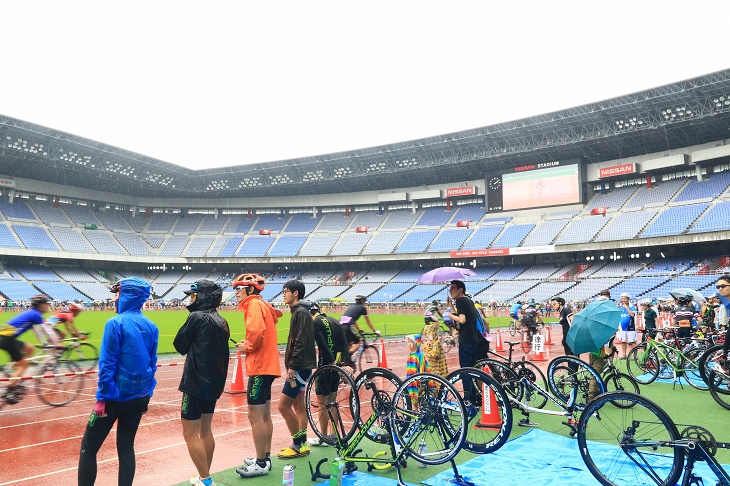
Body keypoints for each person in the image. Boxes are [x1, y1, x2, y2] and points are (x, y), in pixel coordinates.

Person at [78, 277, 159, 486]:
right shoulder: (151, 326)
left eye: (118, 294)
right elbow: (152, 363)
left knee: (88, 447)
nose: (115, 299)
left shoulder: (115, 323)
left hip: (114, 397)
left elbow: (107, 364)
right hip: (139, 396)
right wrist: (147, 394)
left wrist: (102, 397)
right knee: (126, 447)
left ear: (128, 296)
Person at [174, 280, 230, 486]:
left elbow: (179, 344)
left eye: (194, 295)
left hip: (194, 383)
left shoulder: (196, 317)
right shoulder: (222, 321)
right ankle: (204, 476)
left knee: (190, 433)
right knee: (206, 430)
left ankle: (205, 480)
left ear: (204, 296)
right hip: (214, 384)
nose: (191, 299)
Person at [234, 273, 282, 478]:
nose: (236, 293)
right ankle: (265, 458)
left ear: (250, 290)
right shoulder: (262, 304)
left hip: (260, 366)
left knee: (255, 415)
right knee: (264, 414)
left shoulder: (253, 305)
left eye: (239, 289)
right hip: (267, 365)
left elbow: (256, 331)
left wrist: (247, 346)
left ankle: (261, 463)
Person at [277, 280, 317, 459]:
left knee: (283, 406)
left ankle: (297, 444)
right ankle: (303, 444)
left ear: (296, 294)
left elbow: (299, 341)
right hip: (304, 366)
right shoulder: (301, 312)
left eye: (286, 291)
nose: (283, 294)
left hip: (299, 367)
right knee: (299, 405)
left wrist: (292, 366)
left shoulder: (300, 312)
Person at [307, 301, 347, 447]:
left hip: (325, 366)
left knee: (322, 402)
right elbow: (344, 343)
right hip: (336, 366)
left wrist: (330, 362)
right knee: (333, 400)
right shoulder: (334, 320)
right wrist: (341, 363)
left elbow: (323, 345)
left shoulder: (316, 323)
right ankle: (334, 435)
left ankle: (323, 437)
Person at [0, 295, 52, 403]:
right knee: (23, 366)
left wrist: (44, 343)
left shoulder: (32, 313)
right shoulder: (36, 314)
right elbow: (47, 331)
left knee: (30, 348)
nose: (47, 306)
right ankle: (9, 390)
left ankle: (16, 366)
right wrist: (57, 344)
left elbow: (36, 331)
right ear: (40, 305)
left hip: (6, 337)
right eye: (46, 304)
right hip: (6, 339)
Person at [447, 280, 488, 370]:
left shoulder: (460, 301)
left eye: (452, 288)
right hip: (476, 340)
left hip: (466, 341)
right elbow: (460, 316)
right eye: (450, 288)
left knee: (466, 371)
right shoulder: (469, 301)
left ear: (460, 290)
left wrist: (449, 315)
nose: (450, 291)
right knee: (475, 370)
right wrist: (450, 305)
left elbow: (462, 320)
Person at [339, 294, 379, 359]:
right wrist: (374, 330)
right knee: (358, 342)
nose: (364, 303)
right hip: (347, 326)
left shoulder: (351, 306)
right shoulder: (362, 308)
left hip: (339, 325)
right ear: (362, 301)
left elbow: (353, 321)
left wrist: (359, 330)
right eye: (364, 302)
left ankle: (342, 362)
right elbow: (368, 322)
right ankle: (347, 358)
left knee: (348, 345)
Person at [404, 334, 431, 407]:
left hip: (418, 383)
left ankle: (421, 412)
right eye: (408, 342)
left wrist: (420, 380)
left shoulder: (419, 355)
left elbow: (422, 368)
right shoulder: (411, 355)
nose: (409, 344)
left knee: (420, 399)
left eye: (411, 342)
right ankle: (416, 412)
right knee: (413, 399)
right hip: (411, 382)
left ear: (416, 344)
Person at [421, 312, 448, 377]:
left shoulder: (426, 343)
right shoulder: (435, 343)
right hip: (437, 372)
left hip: (432, 372)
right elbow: (434, 354)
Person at [617, 293, 637, 358]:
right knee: (623, 341)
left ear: (628, 299)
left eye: (624, 299)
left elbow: (632, 315)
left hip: (631, 326)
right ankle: (624, 355)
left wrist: (627, 308)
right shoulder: (619, 307)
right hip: (622, 327)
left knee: (633, 341)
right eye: (622, 298)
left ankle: (635, 355)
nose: (623, 300)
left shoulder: (632, 306)